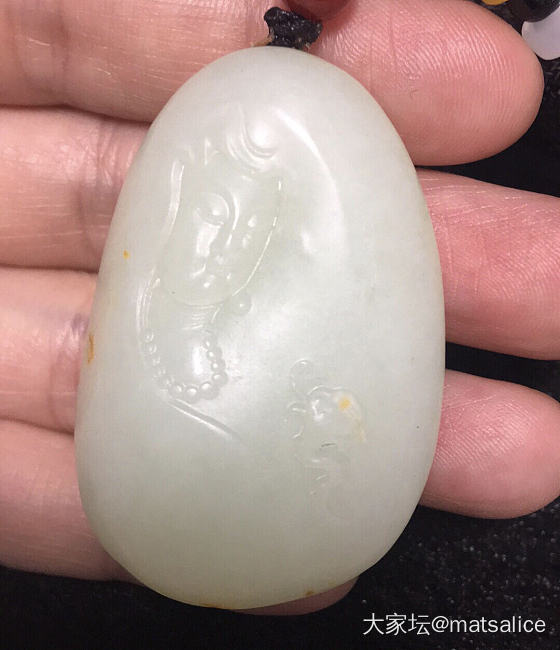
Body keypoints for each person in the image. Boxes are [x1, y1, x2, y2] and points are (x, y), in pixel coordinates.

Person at [0, 0, 558, 616]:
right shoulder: (151, 404)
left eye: (251, 232)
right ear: (175, 207)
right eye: (214, 215)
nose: (224, 249)